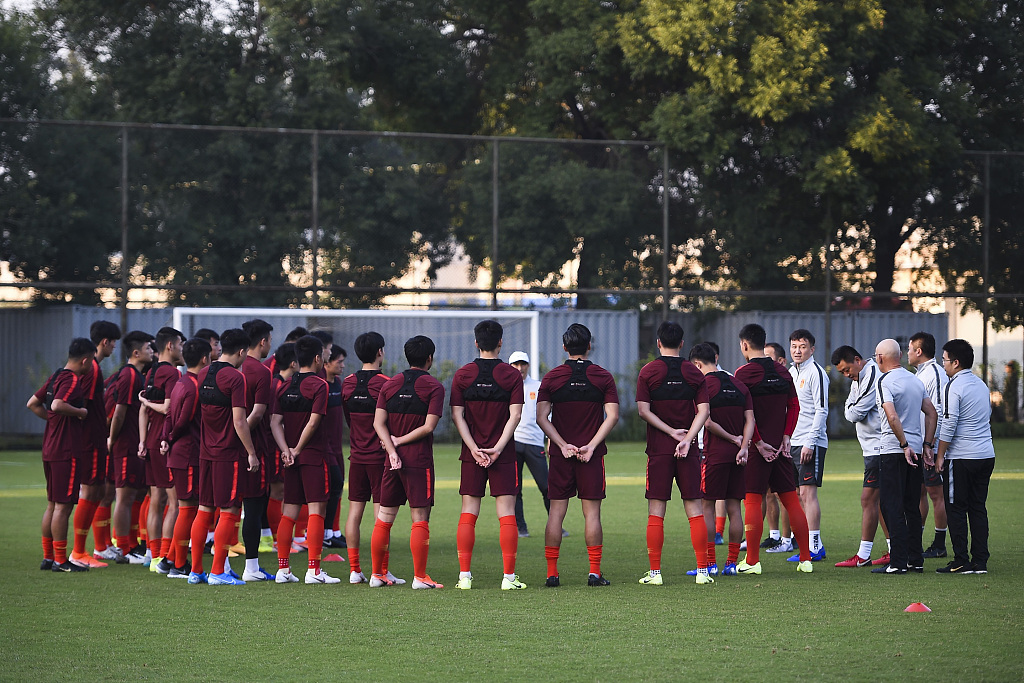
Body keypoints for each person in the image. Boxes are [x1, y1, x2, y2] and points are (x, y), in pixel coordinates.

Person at [537, 323, 619, 587]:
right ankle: (594, 573)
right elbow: (613, 416)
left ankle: (552, 574)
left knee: (556, 514)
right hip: (590, 457)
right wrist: (592, 445)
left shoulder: (552, 377)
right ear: (589, 346)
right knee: (592, 514)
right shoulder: (603, 376)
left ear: (564, 347)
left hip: (563, 456)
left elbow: (541, 417)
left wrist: (561, 444)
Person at [451, 320, 526, 590]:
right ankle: (508, 578)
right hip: (502, 454)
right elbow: (515, 415)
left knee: (468, 512)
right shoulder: (511, 375)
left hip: (472, 454)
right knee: (506, 514)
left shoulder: (463, 374)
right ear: (500, 342)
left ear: (475, 342)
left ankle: (464, 577)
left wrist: (473, 447)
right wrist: (498, 447)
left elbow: (457, 415)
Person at [732, 324, 813, 574]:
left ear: (745, 345)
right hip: (780, 447)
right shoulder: (783, 372)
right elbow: (794, 406)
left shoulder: (742, 374)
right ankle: (806, 559)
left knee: (753, 501)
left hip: (760, 449)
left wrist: (757, 442)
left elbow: (744, 414)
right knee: (792, 500)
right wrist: (786, 437)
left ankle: (753, 561)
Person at [634, 322, 711, 585]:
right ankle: (703, 571)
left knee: (656, 511)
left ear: (658, 343)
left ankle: (655, 573)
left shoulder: (648, 372)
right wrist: (687, 437)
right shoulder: (694, 372)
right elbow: (704, 411)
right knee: (695, 509)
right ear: (681, 343)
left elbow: (643, 411)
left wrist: (671, 433)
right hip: (689, 450)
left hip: (659, 451)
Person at [370, 335, 446, 589]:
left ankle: (377, 574)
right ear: (429, 359)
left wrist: (391, 448)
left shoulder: (390, 384)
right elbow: (428, 426)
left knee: (385, 516)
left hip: (391, 460)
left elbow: (378, 424)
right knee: (420, 517)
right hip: (417, 460)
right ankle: (420, 577)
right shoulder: (434, 387)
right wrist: (400, 442)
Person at [188, 328, 260, 586]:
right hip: (227, 454)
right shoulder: (235, 378)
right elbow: (240, 422)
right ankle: (218, 571)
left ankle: (196, 571)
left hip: (205, 453)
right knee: (229, 510)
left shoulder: (205, 372)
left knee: (204, 510)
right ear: (242, 351)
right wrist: (251, 453)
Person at [270, 335, 340, 585]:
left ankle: (283, 569)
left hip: (289, 458)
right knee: (317, 510)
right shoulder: (319, 385)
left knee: (288, 512)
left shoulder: (285, 385)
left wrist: (286, 450)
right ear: (318, 358)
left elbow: (275, 422)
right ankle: (313, 570)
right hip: (311, 456)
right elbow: (314, 421)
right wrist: (298, 448)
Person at [27, 337, 96, 573]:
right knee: (63, 507)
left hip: (50, 448)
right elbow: (56, 405)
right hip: (66, 451)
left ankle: (48, 557)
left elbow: (33, 404)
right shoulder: (72, 380)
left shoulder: (56, 375)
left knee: (52, 505)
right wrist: (80, 411)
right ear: (85, 360)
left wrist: (53, 421)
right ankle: (60, 560)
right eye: (92, 362)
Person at [871, 339, 937, 575]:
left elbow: (892, 417)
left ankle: (898, 562)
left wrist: (904, 444)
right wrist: (926, 445)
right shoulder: (915, 380)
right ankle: (915, 559)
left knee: (890, 505)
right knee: (911, 505)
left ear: (880, 358)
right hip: (917, 450)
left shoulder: (884, 381)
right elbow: (931, 413)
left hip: (894, 449)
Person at [690, 342, 753, 579]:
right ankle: (732, 563)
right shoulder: (738, 384)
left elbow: (706, 422)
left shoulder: (703, 385)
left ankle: (709, 564)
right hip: (739, 456)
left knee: (707, 505)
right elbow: (750, 420)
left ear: (697, 364)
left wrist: (731, 438)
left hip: (714, 455)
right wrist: (743, 446)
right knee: (734, 507)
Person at [935, 339, 996, 574]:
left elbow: (949, 424)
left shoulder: (953, 386)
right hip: (985, 454)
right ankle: (980, 561)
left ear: (956, 362)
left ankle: (961, 560)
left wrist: (940, 455)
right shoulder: (981, 385)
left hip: (962, 456)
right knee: (978, 507)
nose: (943, 364)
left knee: (956, 508)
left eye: (945, 360)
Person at [342, 332, 398, 585]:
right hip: (379, 457)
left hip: (356, 457)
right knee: (381, 515)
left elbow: (348, 419)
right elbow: (390, 422)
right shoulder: (387, 383)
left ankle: (355, 571)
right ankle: (380, 572)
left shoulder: (347, 382)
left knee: (354, 512)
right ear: (380, 352)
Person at [831, 345, 890, 567]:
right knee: (879, 500)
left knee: (869, 499)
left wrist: (851, 408)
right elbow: (850, 409)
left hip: (879, 447)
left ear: (857, 359)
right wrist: (851, 407)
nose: (847, 375)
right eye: (842, 373)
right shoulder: (858, 379)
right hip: (872, 448)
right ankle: (893, 549)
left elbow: (854, 413)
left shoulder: (872, 375)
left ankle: (863, 555)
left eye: (847, 370)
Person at [137, 326, 186, 574]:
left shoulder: (152, 372)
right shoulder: (172, 374)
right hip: (165, 443)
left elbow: (143, 409)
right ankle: (165, 557)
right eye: (179, 344)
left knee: (156, 500)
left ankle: (151, 554)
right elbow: (168, 408)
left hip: (152, 442)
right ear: (170, 346)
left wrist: (142, 441)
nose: (181, 349)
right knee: (175, 502)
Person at [161, 337, 210, 578]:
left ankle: (170, 559)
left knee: (185, 509)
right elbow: (182, 420)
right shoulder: (193, 386)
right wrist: (169, 437)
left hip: (181, 454)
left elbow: (169, 414)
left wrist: (165, 437)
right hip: (188, 454)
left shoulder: (181, 382)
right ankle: (179, 565)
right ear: (204, 358)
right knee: (187, 509)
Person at [75, 320, 121, 568]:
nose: (114, 347)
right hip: (89, 441)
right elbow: (79, 403)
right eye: (113, 343)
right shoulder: (91, 370)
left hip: (95, 440)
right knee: (91, 492)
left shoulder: (94, 368)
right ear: (105, 342)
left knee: (100, 491)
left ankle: (98, 547)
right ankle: (78, 552)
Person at [108, 330, 155, 564]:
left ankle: (133, 544)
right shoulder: (128, 375)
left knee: (135, 494)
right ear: (136, 352)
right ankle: (123, 548)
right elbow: (119, 412)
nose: (152, 351)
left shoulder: (137, 375)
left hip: (134, 444)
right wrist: (112, 439)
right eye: (148, 348)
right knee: (124, 497)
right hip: (125, 446)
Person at [238, 318, 276, 582]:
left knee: (220, 507)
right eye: (269, 340)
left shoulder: (225, 370)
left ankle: (215, 565)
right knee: (253, 506)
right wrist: (240, 438)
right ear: (262, 341)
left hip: (218, 449)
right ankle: (251, 568)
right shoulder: (261, 372)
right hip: (253, 448)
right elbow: (258, 413)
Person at [787, 328, 829, 562]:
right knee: (795, 494)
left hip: (809, 443)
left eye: (802, 346)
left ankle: (813, 547)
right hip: (792, 441)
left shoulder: (817, 373)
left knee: (807, 493)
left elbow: (822, 410)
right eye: (794, 346)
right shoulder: (791, 372)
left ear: (812, 349)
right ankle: (811, 546)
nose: (797, 350)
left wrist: (810, 442)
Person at [908, 331, 949, 559]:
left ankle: (940, 543)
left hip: (930, 448)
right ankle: (916, 539)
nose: (907, 353)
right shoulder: (920, 374)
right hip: (921, 446)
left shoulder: (934, 374)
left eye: (910, 349)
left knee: (936, 494)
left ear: (919, 351)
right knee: (920, 492)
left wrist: (932, 446)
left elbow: (941, 413)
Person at [508, 351, 558, 539]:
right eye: (515, 365)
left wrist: (550, 440)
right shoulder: (505, 388)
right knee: (515, 489)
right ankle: (521, 528)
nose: (519, 368)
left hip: (534, 443)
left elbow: (549, 416)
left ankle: (555, 524)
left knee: (547, 487)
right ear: (510, 366)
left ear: (528, 365)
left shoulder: (538, 386)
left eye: (523, 364)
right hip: (513, 443)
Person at [760, 341, 787, 552]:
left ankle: (790, 540)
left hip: (786, 444)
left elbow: (795, 408)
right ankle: (774, 535)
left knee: (787, 494)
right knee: (767, 492)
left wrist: (787, 436)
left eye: (767, 357)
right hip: (766, 443)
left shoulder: (786, 378)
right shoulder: (761, 378)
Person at [323, 344, 348, 549]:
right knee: (333, 485)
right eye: (339, 362)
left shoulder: (338, 383)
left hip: (338, 447)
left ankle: (332, 531)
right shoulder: (320, 384)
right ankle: (324, 532)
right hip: (324, 447)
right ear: (326, 362)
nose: (342, 365)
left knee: (338, 486)